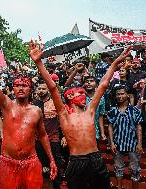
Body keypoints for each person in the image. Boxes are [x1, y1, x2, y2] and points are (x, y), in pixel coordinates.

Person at [29, 40, 133, 189]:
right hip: (77, 161)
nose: (84, 95)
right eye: (80, 93)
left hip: (96, 159)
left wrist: (115, 62)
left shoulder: (90, 111)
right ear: (70, 97)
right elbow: (52, 87)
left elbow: (103, 84)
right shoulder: (64, 114)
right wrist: (39, 63)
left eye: (84, 93)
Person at [0, 46, 57, 189]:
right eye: (17, 85)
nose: (21, 88)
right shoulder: (6, 105)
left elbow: (42, 135)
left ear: (30, 90)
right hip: (8, 162)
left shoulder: (36, 111)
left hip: (31, 162)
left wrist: (51, 159)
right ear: (14, 89)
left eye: (24, 85)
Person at [108, 85, 143, 189]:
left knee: (135, 169)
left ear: (127, 95)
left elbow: (139, 127)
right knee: (118, 168)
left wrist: (140, 144)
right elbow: (110, 127)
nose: (120, 96)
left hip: (133, 144)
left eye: (122, 93)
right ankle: (119, 187)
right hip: (117, 144)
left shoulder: (135, 110)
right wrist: (112, 143)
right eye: (118, 94)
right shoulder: (112, 111)